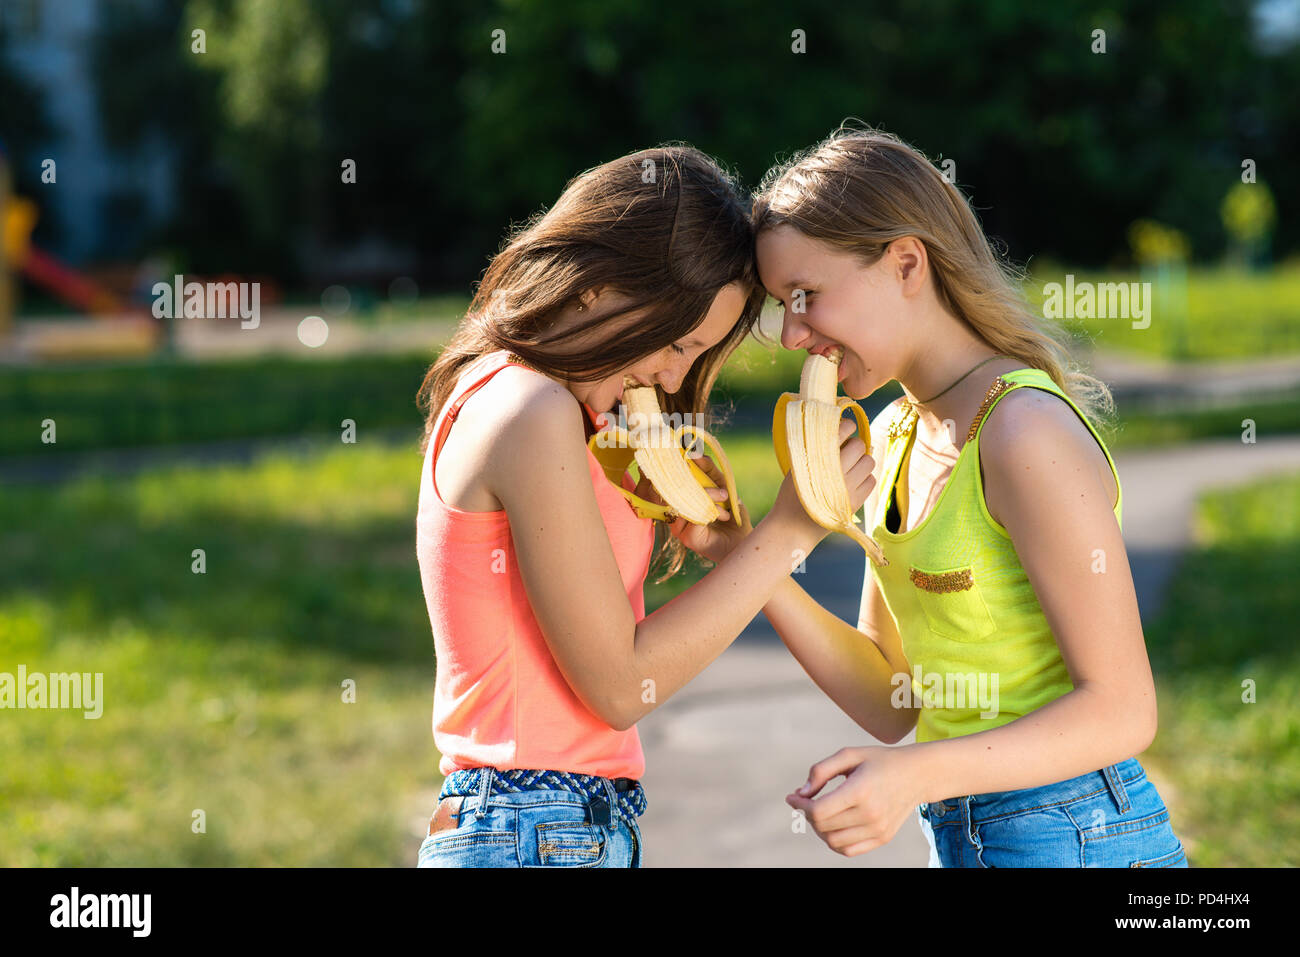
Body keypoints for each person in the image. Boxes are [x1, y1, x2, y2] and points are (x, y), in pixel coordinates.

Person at [721, 125, 1187, 867]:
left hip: (1076, 834)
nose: (791, 335)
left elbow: (1123, 709)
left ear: (906, 262)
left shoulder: (1022, 431)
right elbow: (892, 699)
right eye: (782, 304)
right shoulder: (893, 434)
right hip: (970, 838)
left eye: (805, 296)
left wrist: (915, 776)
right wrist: (740, 553)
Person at [412, 145, 872, 867]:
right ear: (598, 286)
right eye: (678, 343)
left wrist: (723, 542)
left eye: (697, 355)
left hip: (546, 823)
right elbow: (621, 685)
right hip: (539, 827)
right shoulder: (529, 411)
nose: (672, 373)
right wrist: (789, 532)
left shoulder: (537, 403)